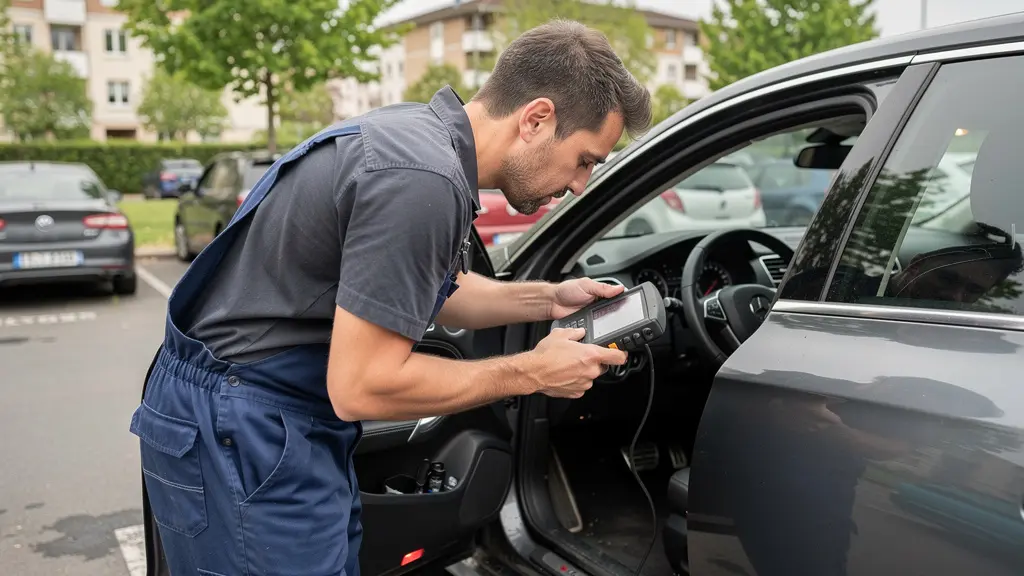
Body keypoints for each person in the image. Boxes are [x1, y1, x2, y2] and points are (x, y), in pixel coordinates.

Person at [128, 19, 651, 576]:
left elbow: (436, 292)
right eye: (586, 160)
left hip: (258, 417)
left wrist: (549, 299)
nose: (580, 185)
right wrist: (533, 373)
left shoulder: (421, 139)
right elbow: (362, 386)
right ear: (537, 118)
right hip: (244, 427)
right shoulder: (421, 178)